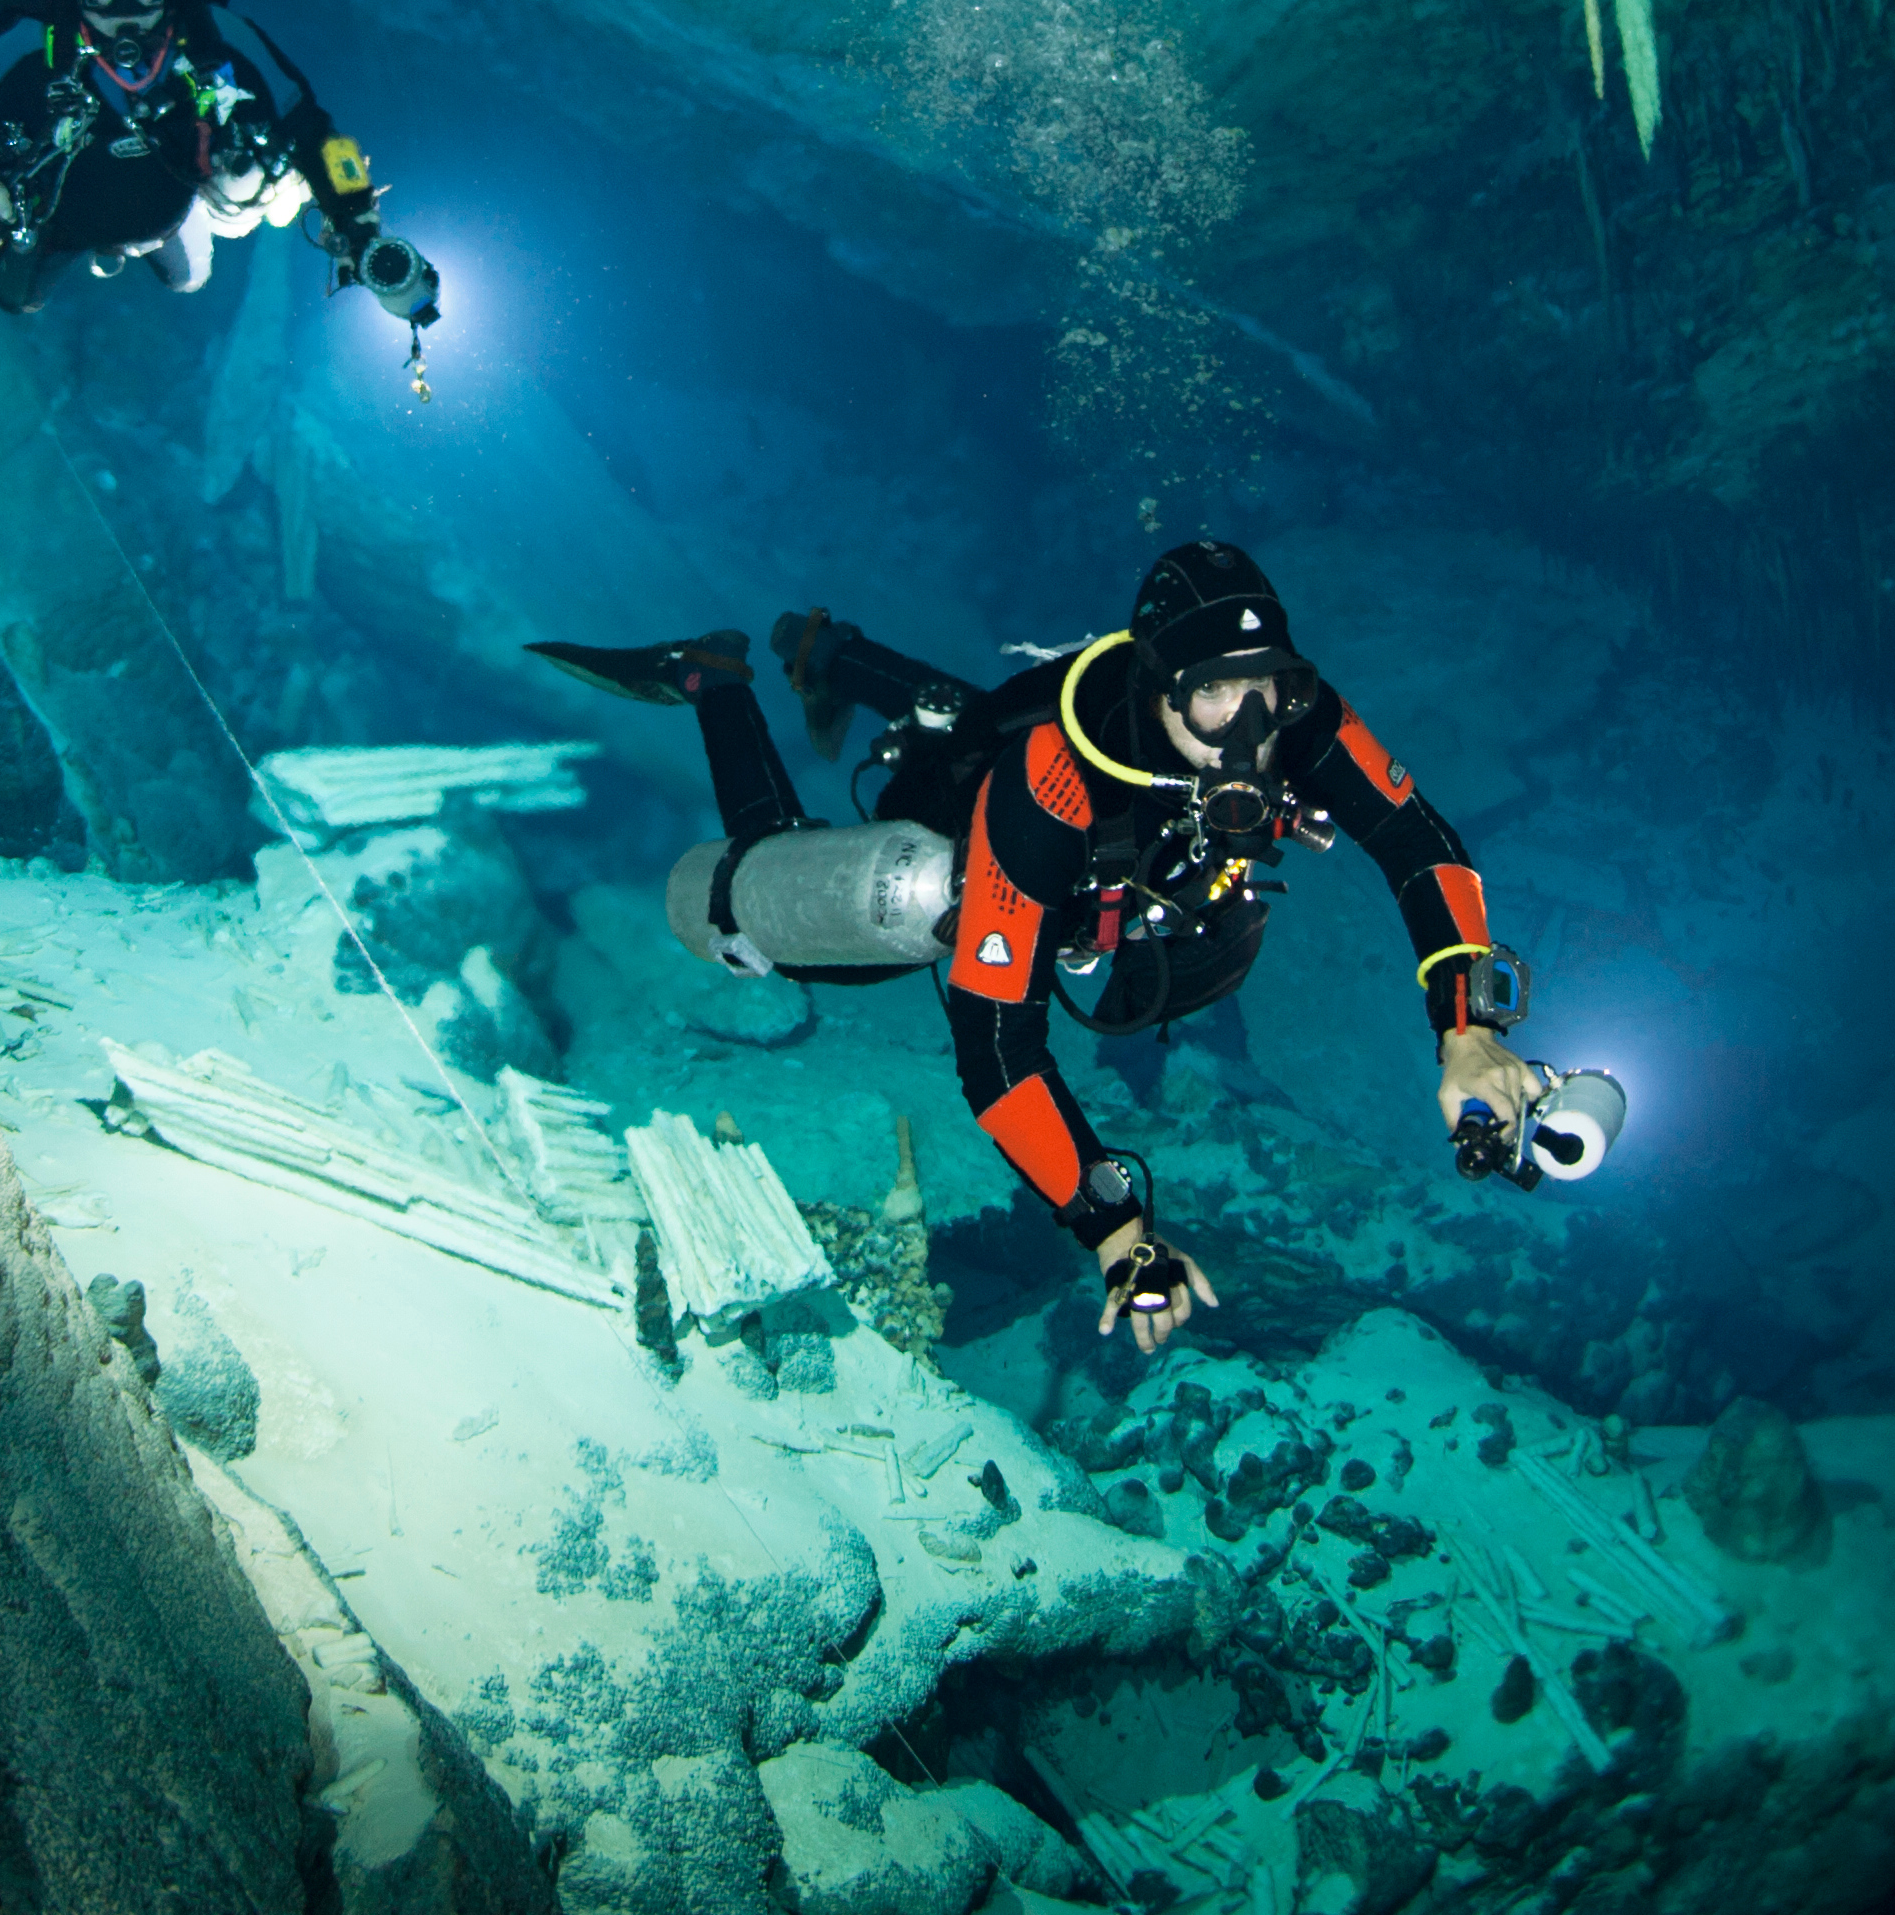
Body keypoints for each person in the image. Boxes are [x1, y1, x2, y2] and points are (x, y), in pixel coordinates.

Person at [532, 541, 1533, 1358]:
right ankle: (715, 680)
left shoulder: (1297, 719)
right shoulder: (1053, 787)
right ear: (1159, 690)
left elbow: (1419, 844)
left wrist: (1468, 1031)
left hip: (1107, 835)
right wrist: (1115, 1229)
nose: (1254, 732)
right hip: (986, 827)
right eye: (1219, 700)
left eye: (1271, 689)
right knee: (836, 909)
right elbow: (999, 1051)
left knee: (967, 715)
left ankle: (838, 655)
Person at [0, 0, 441, 330]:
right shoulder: (35, 45)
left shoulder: (216, 37)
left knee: (192, 277)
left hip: (171, 206)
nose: (125, 14)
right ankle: (67, 243)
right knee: (10, 294)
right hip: (56, 219)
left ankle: (225, 210)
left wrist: (359, 224)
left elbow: (315, 131)